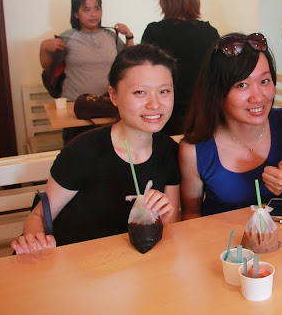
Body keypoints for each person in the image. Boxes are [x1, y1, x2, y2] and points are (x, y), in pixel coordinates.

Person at [12, 44, 180, 254]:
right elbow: (38, 217)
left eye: (164, 91)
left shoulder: (169, 151)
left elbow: (170, 225)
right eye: (140, 92)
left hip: (136, 267)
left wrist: (165, 217)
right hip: (77, 264)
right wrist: (34, 240)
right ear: (113, 95)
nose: (155, 104)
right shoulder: (83, 151)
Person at [179, 33, 282, 219]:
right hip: (225, 238)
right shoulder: (194, 151)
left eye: (264, 81)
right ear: (217, 91)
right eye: (242, 85)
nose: (258, 97)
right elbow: (191, 216)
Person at [39, 0, 135, 144]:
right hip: (75, 107)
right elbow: (48, 68)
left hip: (106, 105)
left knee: (107, 150)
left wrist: (129, 37)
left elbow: (129, 62)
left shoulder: (111, 36)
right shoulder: (67, 37)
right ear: (76, 14)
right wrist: (44, 47)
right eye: (87, 9)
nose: (93, 14)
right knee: (77, 151)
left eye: (97, 8)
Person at [141, 0, 219, 136]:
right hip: (203, 118)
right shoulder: (209, 33)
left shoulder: (155, 32)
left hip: (165, 119)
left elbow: (144, 78)